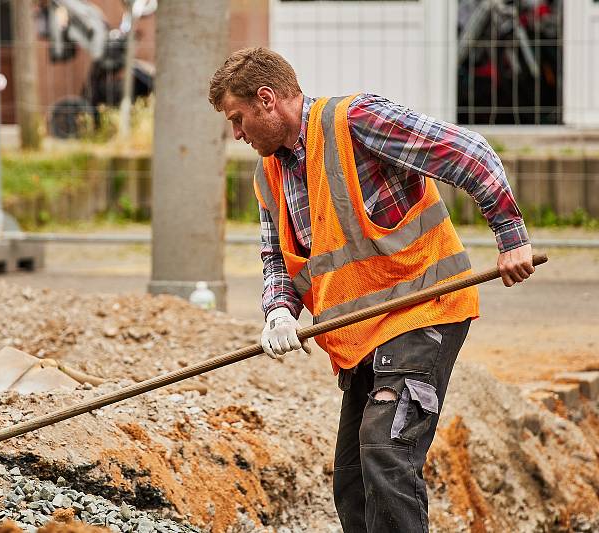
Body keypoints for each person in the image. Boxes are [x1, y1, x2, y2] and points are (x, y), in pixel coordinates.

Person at [208, 47, 535, 532]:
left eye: (238, 119)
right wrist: (278, 311)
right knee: (353, 479)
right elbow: (277, 257)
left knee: (386, 450)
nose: (236, 134)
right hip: (360, 333)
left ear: (267, 99)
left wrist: (510, 236)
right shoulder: (268, 175)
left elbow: (470, 152)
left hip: (423, 306)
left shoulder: (355, 120)